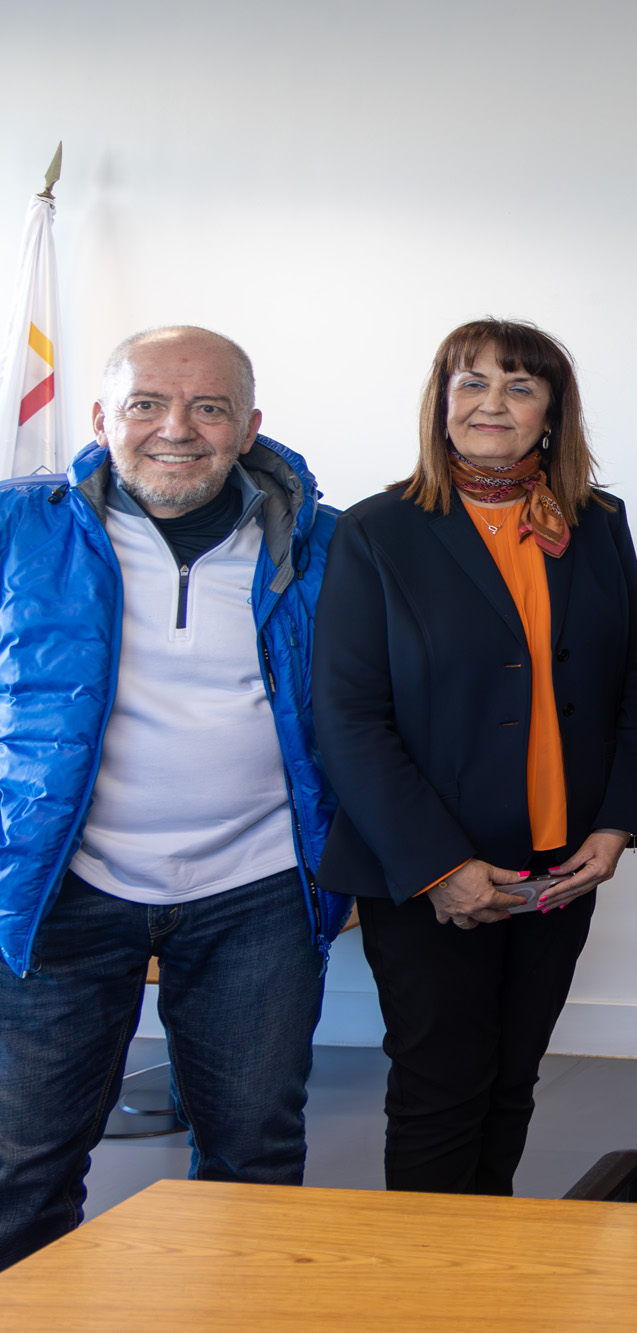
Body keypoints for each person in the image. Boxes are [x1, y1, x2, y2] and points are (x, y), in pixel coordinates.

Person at [0, 327, 345, 1268]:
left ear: (250, 426)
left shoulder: (327, 545)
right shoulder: (19, 528)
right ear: (104, 416)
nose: (175, 429)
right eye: (147, 404)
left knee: (254, 1158)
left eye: (208, 406)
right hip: (61, 893)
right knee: (20, 1166)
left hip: (261, 892)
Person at [313, 319, 637, 1195]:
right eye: (469, 383)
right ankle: (431, 1296)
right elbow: (348, 716)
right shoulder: (377, 531)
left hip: (562, 862)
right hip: (435, 867)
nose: (490, 403)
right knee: (440, 1088)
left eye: (518, 386)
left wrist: (618, 822)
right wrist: (441, 868)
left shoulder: (596, 522)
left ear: (551, 414)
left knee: (512, 1081)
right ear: (441, 404)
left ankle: (489, 1265)